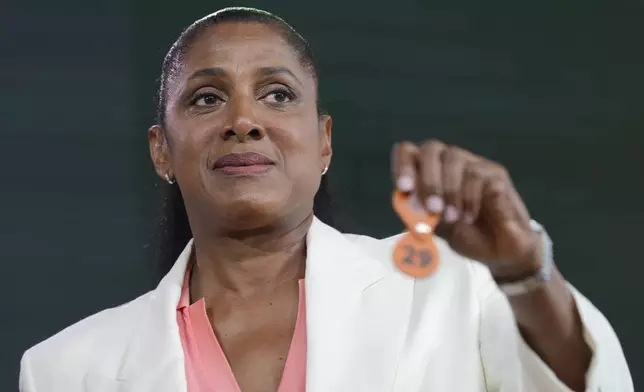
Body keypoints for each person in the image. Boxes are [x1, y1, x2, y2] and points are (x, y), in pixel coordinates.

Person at [19, 7, 632, 392]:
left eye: (278, 95)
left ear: (324, 143)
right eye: (206, 98)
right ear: (161, 152)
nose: (243, 120)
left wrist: (525, 275)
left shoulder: (454, 288)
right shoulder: (65, 371)